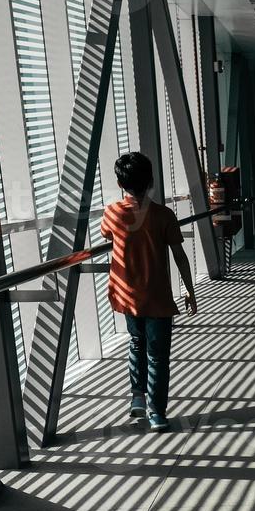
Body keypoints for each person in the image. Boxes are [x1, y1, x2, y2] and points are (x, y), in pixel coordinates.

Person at [99, 152, 197, 432]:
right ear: (151, 181)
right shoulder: (164, 215)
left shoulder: (113, 212)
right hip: (157, 298)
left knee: (136, 343)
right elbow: (179, 255)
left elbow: (107, 234)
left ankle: (138, 396)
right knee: (158, 355)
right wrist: (190, 290)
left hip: (127, 296)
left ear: (120, 184)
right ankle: (157, 413)